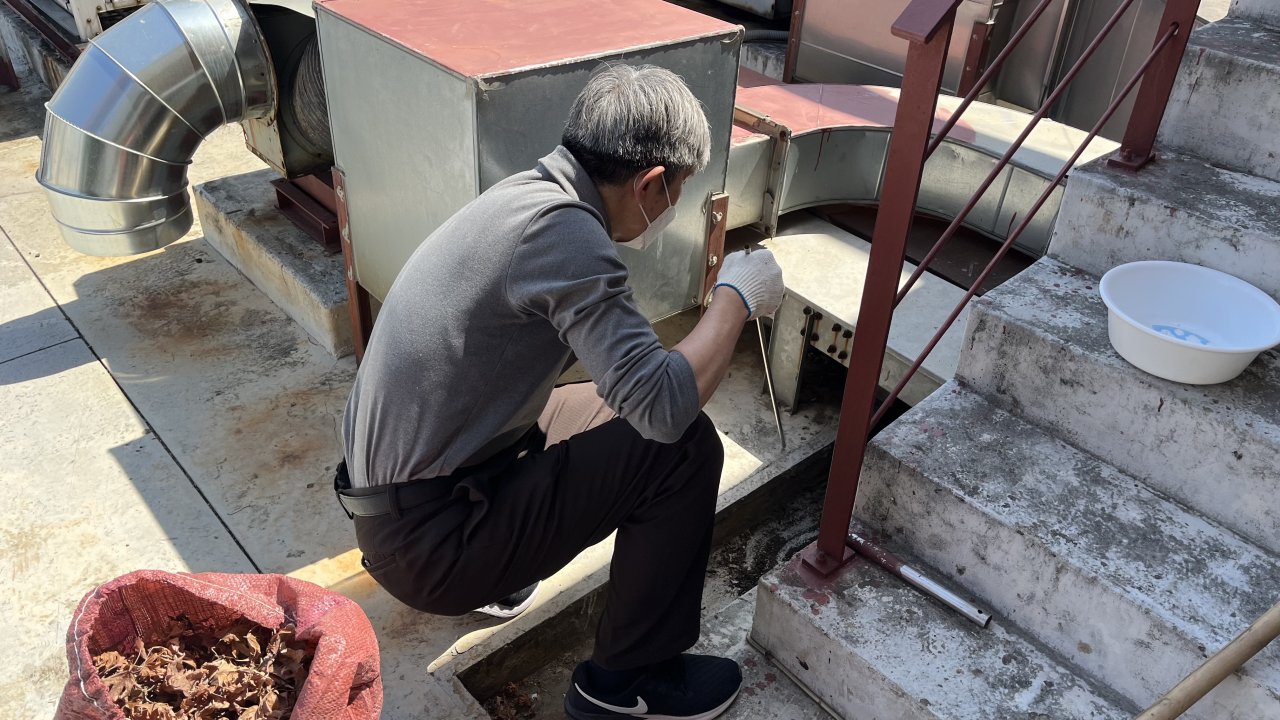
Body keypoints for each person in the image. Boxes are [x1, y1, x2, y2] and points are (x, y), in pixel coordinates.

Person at [335, 64, 784, 720]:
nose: (675, 206)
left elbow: (628, 379)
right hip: (428, 542)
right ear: (651, 183)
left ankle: (507, 565)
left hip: (395, 496)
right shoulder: (566, 236)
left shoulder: (526, 195)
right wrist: (734, 300)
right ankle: (626, 683)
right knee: (680, 445)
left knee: (611, 401)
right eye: (679, 189)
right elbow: (663, 410)